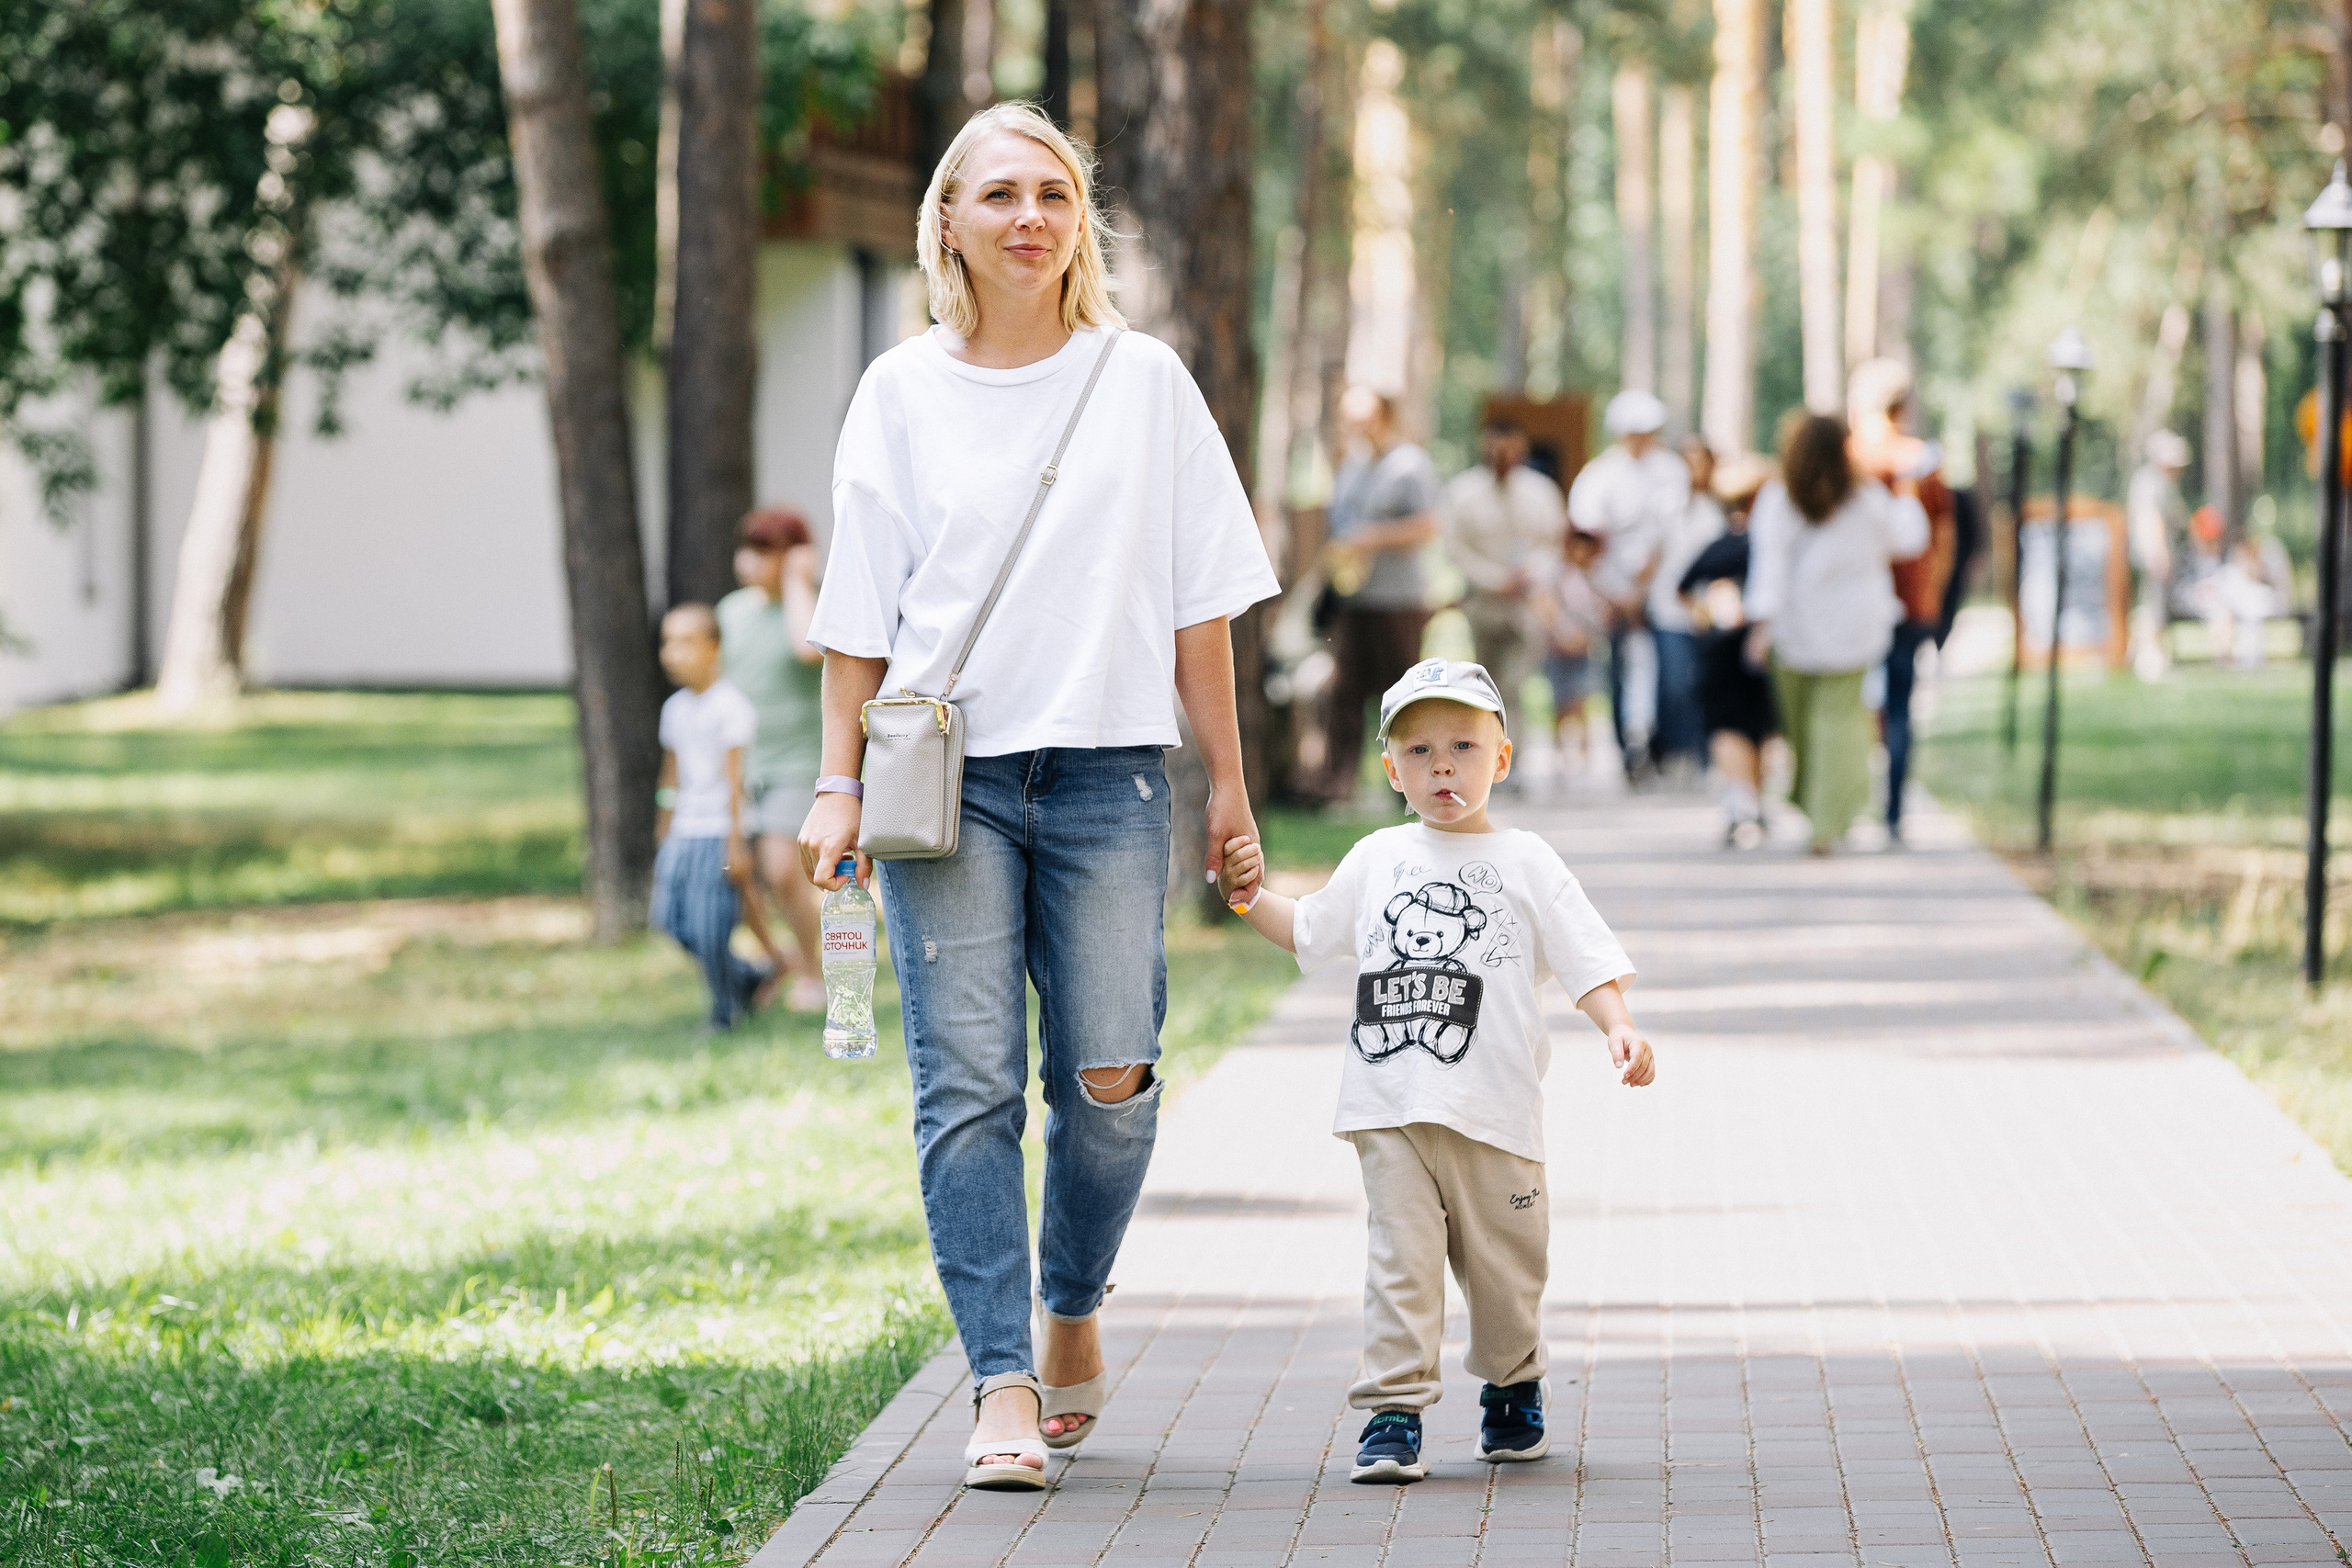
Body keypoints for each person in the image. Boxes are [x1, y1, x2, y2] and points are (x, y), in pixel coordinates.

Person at [798, 102, 1280, 1492]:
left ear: (1084, 220)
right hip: (941, 778)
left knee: (1112, 1078)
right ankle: (1001, 1378)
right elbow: (859, 608)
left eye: (1053, 193)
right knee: (969, 1088)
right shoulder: (899, 390)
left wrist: (1231, 789)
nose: (1028, 217)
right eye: (998, 193)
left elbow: (1203, 610)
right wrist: (836, 782)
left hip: (1112, 772)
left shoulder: (1144, 382)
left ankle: (1073, 1300)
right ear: (946, 219)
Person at [1213, 658, 1654, 1484]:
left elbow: (1586, 956)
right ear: (1391, 769)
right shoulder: (1378, 856)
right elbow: (1310, 929)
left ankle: (1513, 1380)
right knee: (1399, 1262)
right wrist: (1247, 899)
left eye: (1462, 746)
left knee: (1507, 1267)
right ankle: (1394, 1407)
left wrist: (1618, 1025)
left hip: (1496, 1111)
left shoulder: (1528, 861)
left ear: (1503, 758)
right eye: (1419, 751)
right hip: (1390, 1105)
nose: (1442, 765)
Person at [1745, 415, 1928, 856]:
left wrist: (1761, 624)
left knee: (1812, 725)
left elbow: (1769, 566)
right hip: (1852, 627)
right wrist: (1908, 493)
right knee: (1837, 724)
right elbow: (1909, 538)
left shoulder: (1780, 497)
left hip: (1797, 629)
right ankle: (1831, 809)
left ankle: (1823, 815)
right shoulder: (1866, 498)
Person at [652, 604, 782, 1030]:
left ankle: (724, 1013)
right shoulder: (675, 708)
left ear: (713, 648)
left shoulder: (731, 707)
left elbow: (735, 781)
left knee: (711, 929)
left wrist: (735, 841)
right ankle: (746, 974)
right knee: (669, 919)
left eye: (685, 642)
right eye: (668, 642)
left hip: (717, 832)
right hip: (683, 831)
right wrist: (665, 821)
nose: (672, 653)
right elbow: (672, 772)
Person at [718, 507, 828, 1011]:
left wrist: (798, 579)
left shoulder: (816, 604)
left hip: (800, 761)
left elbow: (807, 650)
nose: (748, 561)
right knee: (737, 871)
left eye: (764, 551)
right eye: (748, 548)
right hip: (749, 764)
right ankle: (779, 959)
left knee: (784, 871)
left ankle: (815, 975)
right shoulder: (732, 612)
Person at [1846, 359, 1956, 843]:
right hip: (1910, 603)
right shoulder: (1922, 459)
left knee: (1850, 704)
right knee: (1900, 706)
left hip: (1856, 601)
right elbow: (1944, 537)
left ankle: (1849, 803)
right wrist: (1932, 589)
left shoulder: (1852, 458)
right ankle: (1892, 813)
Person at [1320, 388, 1443, 802]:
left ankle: (1410, 787)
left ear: (1385, 417)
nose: (1355, 426)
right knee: (1345, 693)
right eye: (1348, 417)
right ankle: (1339, 786)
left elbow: (1427, 525)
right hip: (1355, 598)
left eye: (1363, 417)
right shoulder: (1351, 465)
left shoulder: (1410, 465)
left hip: (1399, 601)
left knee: (1403, 696)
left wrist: (1374, 538)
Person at [1567, 389, 1687, 784]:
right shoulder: (1599, 476)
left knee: (1670, 672)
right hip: (1613, 593)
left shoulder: (1670, 470)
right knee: (1620, 672)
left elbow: (1670, 533)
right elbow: (1586, 542)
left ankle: (1665, 747)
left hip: (1663, 589)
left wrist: (1645, 584)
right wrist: (1615, 593)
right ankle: (1628, 752)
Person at [1442, 415, 1566, 742]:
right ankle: (1486, 753)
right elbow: (1457, 550)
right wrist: (1497, 580)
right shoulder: (1462, 492)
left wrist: (1531, 573)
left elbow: (1554, 544)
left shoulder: (1541, 492)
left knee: (1514, 682)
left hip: (1527, 604)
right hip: (1483, 604)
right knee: (1485, 681)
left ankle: (1513, 753)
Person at [1677, 463, 1778, 848]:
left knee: (1726, 726)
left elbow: (1683, 588)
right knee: (1759, 726)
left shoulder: (1718, 546)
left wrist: (1704, 616)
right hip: (1763, 646)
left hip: (1719, 649)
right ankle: (1754, 800)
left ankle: (1741, 804)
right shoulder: (1767, 546)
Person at [1645, 437, 1729, 774]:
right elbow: (1652, 557)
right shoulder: (1665, 505)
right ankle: (1671, 749)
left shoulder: (1718, 510)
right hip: (1669, 608)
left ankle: (1698, 751)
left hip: (1707, 612)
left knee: (1702, 683)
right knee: (1673, 682)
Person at [1539, 528, 1611, 780]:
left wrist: (1587, 636)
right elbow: (1546, 606)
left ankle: (1582, 759)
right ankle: (1560, 758)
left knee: (1582, 702)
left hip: (1584, 650)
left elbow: (1601, 612)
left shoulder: (1594, 578)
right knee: (1559, 704)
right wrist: (1564, 634)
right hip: (1559, 650)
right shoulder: (1557, 576)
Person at [2125, 430, 2190, 680]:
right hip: (2153, 555)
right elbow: (2153, 520)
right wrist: (2161, 554)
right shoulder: (2152, 482)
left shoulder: (2158, 481)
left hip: (2151, 554)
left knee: (2151, 604)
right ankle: (2149, 658)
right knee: (2154, 607)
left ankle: (2141, 655)